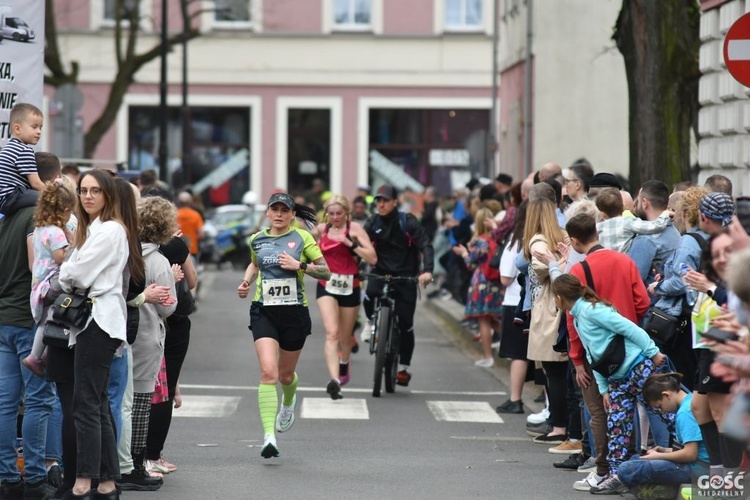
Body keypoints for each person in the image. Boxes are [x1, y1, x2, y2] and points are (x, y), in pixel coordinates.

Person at [552, 273, 667, 495]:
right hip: (617, 379)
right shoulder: (578, 316)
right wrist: (603, 388)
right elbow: (594, 356)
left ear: (559, 298)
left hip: (637, 367)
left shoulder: (592, 311)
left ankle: (684, 459)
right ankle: (618, 475)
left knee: (663, 413)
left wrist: (653, 353)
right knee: (617, 428)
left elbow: (629, 328)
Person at [237, 193, 330, 459]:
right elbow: (254, 265)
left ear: (292, 215)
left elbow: (326, 271)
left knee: (285, 375)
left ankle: (288, 402)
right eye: (274, 209)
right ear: (267, 213)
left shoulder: (302, 238)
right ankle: (269, 436)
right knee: (268, 373)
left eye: (284, 210)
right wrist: (246, 283)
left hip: (294, 313)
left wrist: (299, 265)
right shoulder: (257, 239)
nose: (278, 214)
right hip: (263, 311)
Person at [58, 169, 130, 499]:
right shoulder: (97, 230)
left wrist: (69, 268)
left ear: (108, 196)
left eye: (95, 191)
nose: (87, 196)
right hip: (97, 320)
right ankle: (107, 482)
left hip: (99, 321)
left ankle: (85, 480)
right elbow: (75, 268)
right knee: (97, 403)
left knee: (85, 403)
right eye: (84, 191)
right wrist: (72, 267)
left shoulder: (110, 231)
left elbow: (75, 272)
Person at [0, 153, 60, 499]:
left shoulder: (6, 217)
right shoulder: (35, 219)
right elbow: (38, 266)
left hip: (5, 317)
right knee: (39, 400)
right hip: (28, 319)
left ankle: (8, 476)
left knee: (7, 402)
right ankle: (36, 478)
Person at [363, 185, 434, 387]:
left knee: (405, 323)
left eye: (385, 200)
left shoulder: (408, 221)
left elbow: (425, 245)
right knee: (369, 295)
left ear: (395, 201)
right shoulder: (372, 222)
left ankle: (403, 368)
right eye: (378, 201)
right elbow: (359, 243)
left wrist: (427, 270)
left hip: (406, 276)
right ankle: (370, 322)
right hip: (380, 272)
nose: (381, 204)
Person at [129, 196, 178, 480]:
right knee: (141, 402)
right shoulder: (158, 261)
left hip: (122, 333)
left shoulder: (128, 252)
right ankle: (137, 462)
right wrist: (173, 280)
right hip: (147, 335)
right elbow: (167, 306)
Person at [314, 195, 376, 399]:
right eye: (331, 214)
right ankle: (334, 381)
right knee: (331, 333)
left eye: (339, 213)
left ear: (346, 213)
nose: (335, 217)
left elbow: (372, 257)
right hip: (326, 284)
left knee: (345, 337)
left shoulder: (355, 229)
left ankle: (344, 363)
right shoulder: (322, 230)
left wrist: (351, 244)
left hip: (350, 284)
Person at [617, 373, 709, 496]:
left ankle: (665, 491)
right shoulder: (691, 400)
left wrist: (658, 457)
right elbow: (695, 447)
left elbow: (690, 454)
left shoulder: (684, 413)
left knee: (625, 469)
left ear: (666, 395)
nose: (663, 411)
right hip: (700, 464)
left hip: (697, 469)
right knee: (636, 459)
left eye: (660, 406)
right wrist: (664, 451)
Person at [525, 198, 569, 445]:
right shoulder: (562, 236)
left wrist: (553, 262)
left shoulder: (538, 241)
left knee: (554, 373)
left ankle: (559, 426)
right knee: (560, 372)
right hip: (560, 306)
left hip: (548, 308)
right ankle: (560, 423)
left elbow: (540, 270)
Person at [23, 179, 77, 376]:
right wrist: (71, 245)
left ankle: (43, 355)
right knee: (50, 319)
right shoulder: (55, 232)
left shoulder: (40, 228)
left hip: (38, 283)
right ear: (62, 210)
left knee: (49, 318)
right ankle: (35, 357)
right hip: (50, 283)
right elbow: (60, 257)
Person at [452, 208, 504, 367]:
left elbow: (471, 264)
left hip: (481, 283)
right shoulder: (498, 240)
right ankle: (514, 342)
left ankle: (488, 356)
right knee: (493, 319)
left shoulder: (478, 241)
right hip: (496, 283)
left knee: (484, 321)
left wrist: (464, 253)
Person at [495, 201, 529, 414]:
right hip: (531, 303)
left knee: (518, 354)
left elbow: (506, 278)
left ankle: (515, 398)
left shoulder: (515, 243)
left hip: (515, 302)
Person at [0, 103, 45, 216]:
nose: (39, 131)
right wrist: (53, 192)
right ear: (17, 128)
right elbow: (36, 184)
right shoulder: (24, 150)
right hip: (12, 196)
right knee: (50, 200)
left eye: (40, 127)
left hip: (3, 199)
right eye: (34, 127)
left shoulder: (8, 148)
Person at [596, 187, 672, 253]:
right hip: (623, 264)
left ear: (602, 213)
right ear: (623, 206)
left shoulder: (597, 228)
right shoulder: (628, 222)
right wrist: (665, 214)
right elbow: (656, 226)